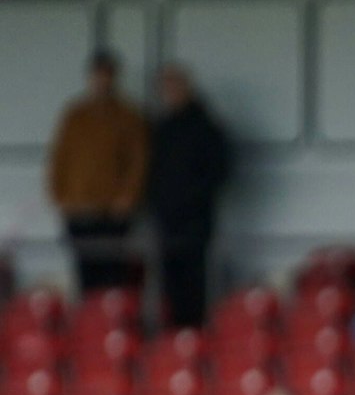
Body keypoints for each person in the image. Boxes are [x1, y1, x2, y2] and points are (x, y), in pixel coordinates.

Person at [47, 49, 148, 293]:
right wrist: (60, 196)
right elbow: (59, 158)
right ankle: (88, 323)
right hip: (79, 208)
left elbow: (138, 162)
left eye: (107, 75)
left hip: (112, 211)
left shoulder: (128, 116)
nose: (102, 81)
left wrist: (128, 197)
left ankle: (110, 323)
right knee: (85, 270)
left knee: (113, 271)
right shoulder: (75, 115)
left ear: (114, 78)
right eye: (97, 75)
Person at [145, 63, 229, 328]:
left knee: (196, 283)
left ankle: (194, 338)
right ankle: (173, 339)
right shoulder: (160, 130)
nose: (171, 93)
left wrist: (193, 200)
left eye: (175, 86)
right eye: (166, 88)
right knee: (169, 284)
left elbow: (219, 171)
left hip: (195, 220)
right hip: (166, 220)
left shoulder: (206, 127)